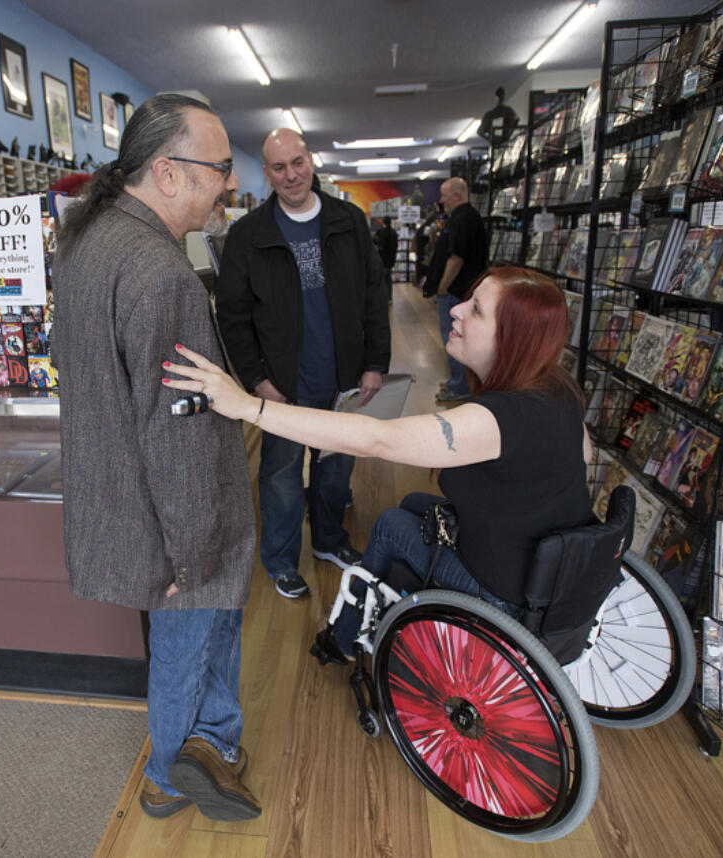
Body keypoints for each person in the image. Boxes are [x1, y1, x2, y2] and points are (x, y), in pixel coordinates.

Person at [163, 266, 593, 659]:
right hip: (553, 571)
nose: (456, 309)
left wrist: (247, 407)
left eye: (476, 310)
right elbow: (581, 458)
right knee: (412, 504)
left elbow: (376, 439)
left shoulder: (498, 418)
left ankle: (344, 639)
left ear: (510, 338)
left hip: (507, 592)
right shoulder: (558, 388)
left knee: (391, 523)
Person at [53, 94, 260, 823]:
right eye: (220, 169)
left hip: (119, 496)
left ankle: (214, 746)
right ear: (167, 172)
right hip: (168, 508)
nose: (229, 184)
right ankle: (172, 775)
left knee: (196, 631)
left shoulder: (89, 244)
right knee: (190, 632)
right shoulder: (161, 274)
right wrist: (194, 548)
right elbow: (177, 435)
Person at [215, 128, 390, 600]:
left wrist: (375, 361)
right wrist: (256, 379)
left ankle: (330, 541)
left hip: (344, 379)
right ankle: (280, 560)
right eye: (278, 167)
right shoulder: (247, 236)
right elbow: (233, 317)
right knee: (281, 479)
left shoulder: (348, 222)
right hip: (284, 385)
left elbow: (375, 295)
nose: (291, 175)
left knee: (335, 472)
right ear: (267, 173)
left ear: (310, 161)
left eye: (297, 162)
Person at [431, 177, 488, 402]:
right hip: (462, 290)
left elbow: (457, 258)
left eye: (445, 196)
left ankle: (459, 386)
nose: (442, 201)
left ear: (457, 195)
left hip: (456, 291)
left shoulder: (463, 219)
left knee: (453, 337)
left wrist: (443, 287)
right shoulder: (464, 217)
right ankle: (459, 381)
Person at [374, 215, 398, 300]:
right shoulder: (394, 232)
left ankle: (383, 298)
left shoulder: (381, 232)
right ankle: (389, 298)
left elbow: (378, 243)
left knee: (383, 279)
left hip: (383, 259)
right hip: (391, 259)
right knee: (388, 279)